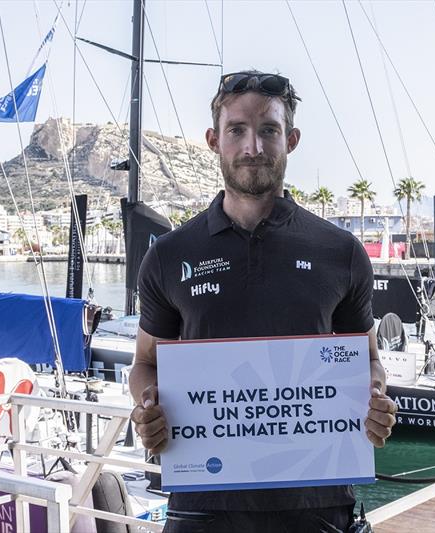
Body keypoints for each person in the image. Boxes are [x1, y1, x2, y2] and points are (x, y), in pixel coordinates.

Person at [129, 70, 397, 533]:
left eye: (269, 129)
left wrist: (374, 399)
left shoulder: (340, 252)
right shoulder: (170, 256)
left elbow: (368, 359)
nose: (253, 147)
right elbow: (144, 365)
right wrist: (146, 406)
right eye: (237, 129)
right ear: (214, 140)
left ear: (290, 139)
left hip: (317, 499)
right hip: (202, 502)